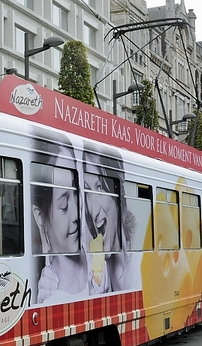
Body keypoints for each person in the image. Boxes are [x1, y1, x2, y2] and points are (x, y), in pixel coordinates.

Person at [31, 129, 88, 304]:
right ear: (40, 217)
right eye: (63, 205)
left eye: (77, 194)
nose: (76, 215)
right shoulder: (48, 296)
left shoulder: (101, 257)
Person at [83, 143, 137, 293]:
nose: (93, 211)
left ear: (118, 196)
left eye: (99, 187)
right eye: (87, 192)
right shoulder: (97, 276)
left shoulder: (139, 267)